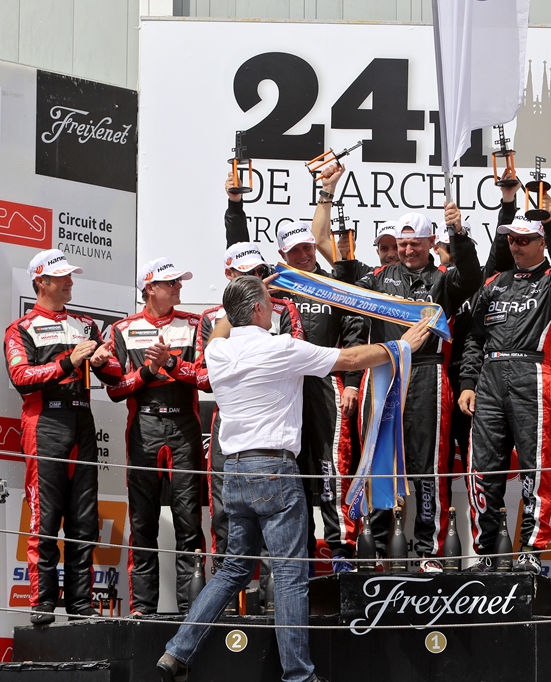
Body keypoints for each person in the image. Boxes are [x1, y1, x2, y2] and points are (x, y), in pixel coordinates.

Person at [156, 275, 432, 682]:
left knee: (233, 570)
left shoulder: (218, 351)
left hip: (233, 470)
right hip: (274, 470)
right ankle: (299, 675)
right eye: (269, 300)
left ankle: (176, 652)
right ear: (257, 309)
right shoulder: (281, 347)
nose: (275, 305)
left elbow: (218, 330)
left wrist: (242, 297)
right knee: (289, 574)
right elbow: (352, 359)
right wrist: (401, 345)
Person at [226, 172, 366, 572]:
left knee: (331, 465)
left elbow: (355, 332)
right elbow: (237, 249)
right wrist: (235, 207)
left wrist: (352, 383)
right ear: (282, 254)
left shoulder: (333, 284)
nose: (303, 255)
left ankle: (342, 550)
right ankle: (298, 552)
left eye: (307, 247)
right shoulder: (272, 287)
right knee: (292, 470)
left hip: (324, 383)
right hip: (281, 387)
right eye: (295, 250)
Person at [335, 204, 483, 571]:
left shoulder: (444, 280)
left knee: (428, 466)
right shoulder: (377, 278)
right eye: (402, 244)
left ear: (432, 242)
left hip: (428, 374)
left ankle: (428, 551)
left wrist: (459, 235)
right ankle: (374, 549)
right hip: (383, 372)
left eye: (415, 243)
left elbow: (472, 277)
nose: (407, 250)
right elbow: (341, 292)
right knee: (378, 461)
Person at [458, 181, 551, 573]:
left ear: (542, 243)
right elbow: (474, 337)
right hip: (490, 377)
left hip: (533, 372)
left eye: (525, 240)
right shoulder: (494, 283)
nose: (516, 246)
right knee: (482, 468)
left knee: (536, 466)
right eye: (512, 239)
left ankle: (531, 549)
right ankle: (487, 553)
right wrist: (467, 382)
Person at [4, 249, 121, 625]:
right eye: (61, 277)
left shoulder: (85, 324)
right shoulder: (22, 328)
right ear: (41, 281)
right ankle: (41, 601)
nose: (70, 281)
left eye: (70, 275)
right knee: (45, 517)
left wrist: (102, 361)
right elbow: (21, 377)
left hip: (82, 422)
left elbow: (114, 374)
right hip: (45, 423)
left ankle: (80, 602)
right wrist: (69, 361)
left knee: (84, 519)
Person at [107, 257, 206, 616]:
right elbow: (116, 389)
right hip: (144, 426)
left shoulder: (195, 324)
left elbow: (206, 378)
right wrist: (149, 371)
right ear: (150, 288)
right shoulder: (123, 329)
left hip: (184, 425)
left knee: (189, 520)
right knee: (143, 521)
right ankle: (143, 609)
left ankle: (193, 607)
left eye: (179, 281)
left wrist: (171, 364)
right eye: (171, 282)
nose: (179, 287)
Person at [197, 242, 288, 579]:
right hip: (230, 420)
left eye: (260, 271)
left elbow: (298, 357)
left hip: (273, 418)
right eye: (247, 273)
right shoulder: (210, 318)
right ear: (229, 273)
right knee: (225, 513)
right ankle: (229, 594)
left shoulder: (283, 309)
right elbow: (203, 377)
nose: (256, 277)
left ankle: (270, 596)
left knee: (274, 519)